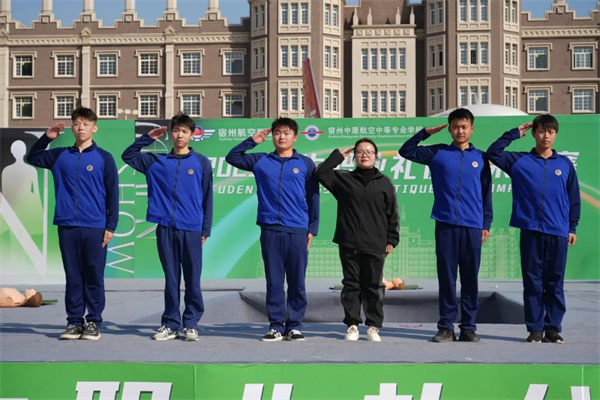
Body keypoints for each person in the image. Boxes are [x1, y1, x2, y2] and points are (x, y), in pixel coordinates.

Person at [399, 108, 492, 343]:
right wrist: (425, 133)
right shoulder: (438, 153)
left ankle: (468, 327)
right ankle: (446, 327)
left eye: (464, 127)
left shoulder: (481, 158)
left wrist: (486, 223)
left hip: (472, 226)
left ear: (472, 129)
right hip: (446, 225)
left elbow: (486, 193)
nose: (460, 131)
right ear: (449, 129)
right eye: (455, 127)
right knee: (447, 278)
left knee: (470, 279)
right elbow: (406, 151)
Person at [486, 114, 580, 344]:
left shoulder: (565, 164)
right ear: (534, 133)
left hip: (558, 231)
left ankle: (553, 328)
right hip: (530, 230)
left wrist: (572, 227)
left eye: (550, 132)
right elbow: (493, 153)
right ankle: (535, 329)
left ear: (555, 134)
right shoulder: (519, 161)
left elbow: (573, 198)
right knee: (533, 282)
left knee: (555, 282)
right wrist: (514, 134)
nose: (546, 136)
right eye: (541, 131)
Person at [26, 107, 119, 340]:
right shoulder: (60, 155)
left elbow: (113, 194)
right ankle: (74, 322)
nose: (81, 128)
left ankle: (93, 322)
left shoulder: (104, 158)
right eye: (77, 124)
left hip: (95, 225)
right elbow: (32, 157)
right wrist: (47, 138)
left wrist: (111, 226)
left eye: (86, 124)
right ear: (72, 127)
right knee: (73, 275)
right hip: (67, 224)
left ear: (94, 128)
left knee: (94, 274)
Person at [225, 118, 319, 342]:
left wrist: (312, 228)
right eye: (277, 132)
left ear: (295, 137)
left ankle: (294, 326)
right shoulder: (261, 161)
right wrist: (252, 141)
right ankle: (276, 326)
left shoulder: (306, 164)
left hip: (297, 229)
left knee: (297, 281)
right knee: (274, 281)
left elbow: (313, 197)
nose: (281, 136)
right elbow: (232, 157)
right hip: (270, 229)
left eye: (286, 132)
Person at [122, 113, 213, 342]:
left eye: (184, 131)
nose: (180, 135)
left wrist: (205, 230)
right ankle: (170, 324)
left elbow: (207, 198)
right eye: (176, 130)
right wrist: (147, 138)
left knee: (192, 279)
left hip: (191, 229)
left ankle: (191, 324)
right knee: (171, 279)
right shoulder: (156, 161)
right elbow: (128, 156)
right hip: (165, 228)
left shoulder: (201, 162)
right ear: (171, 133)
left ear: (192, 135)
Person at [315, 138, 399, 342]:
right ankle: (352, 325)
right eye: (360, 151)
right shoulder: (344, 179)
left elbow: (392, 213)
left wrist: (391, 239)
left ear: (376, 156)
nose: (365, 155)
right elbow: (321, 172)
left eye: (369, 151)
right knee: (351, 284)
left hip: (376, 242)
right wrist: (338, 157)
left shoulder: (385, 182)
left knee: (374, 285)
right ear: (354, 156)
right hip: (349, 241)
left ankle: (373, 326)